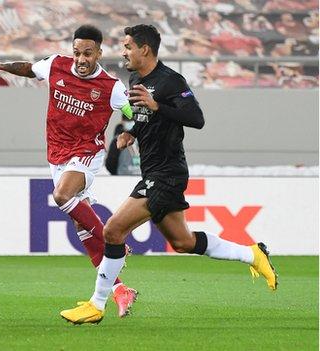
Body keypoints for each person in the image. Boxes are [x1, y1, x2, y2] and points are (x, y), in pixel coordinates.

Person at [60, 24, 278, 324]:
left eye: (127, 46)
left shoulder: (171, 81)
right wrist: (132, 133)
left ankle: (97, 305)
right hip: (154, 171)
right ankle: (253, 254)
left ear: (144, 49)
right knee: (183, 242)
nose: (123, 51)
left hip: (166, 173)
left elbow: (196, 118)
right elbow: (146, 117)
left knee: (112, 231)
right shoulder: (136, 78)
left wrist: (158, 105)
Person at [0, 24, 138, 317]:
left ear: (99, 53)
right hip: (57, 155)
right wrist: (0, 65)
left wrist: (132, 132)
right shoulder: (56, 65)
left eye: (88, 54)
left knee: (62, 195)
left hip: (87, 154)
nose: (80, 59)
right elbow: (30, 69)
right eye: (77, 52)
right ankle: (119, 289)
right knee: (81, 228)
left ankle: (111, 239)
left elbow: (133, 113)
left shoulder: (111, 87)